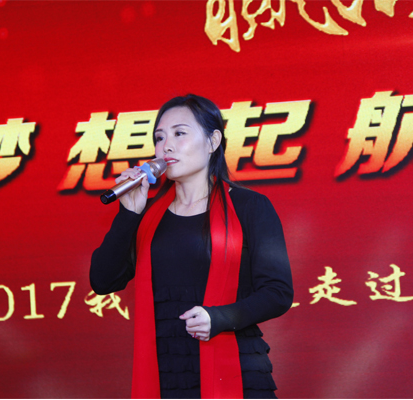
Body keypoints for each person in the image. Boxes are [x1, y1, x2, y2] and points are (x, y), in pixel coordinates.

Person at [90, 94, 293, 399]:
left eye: (179, 133)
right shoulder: (147, 215)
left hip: (235, 372)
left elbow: (278, 293)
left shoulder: (249, 207)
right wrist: (128, 214)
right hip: (167, 375)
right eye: (160, 137)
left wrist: (220, 318)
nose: (166, 146)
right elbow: (103, 280)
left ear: (213, 142)